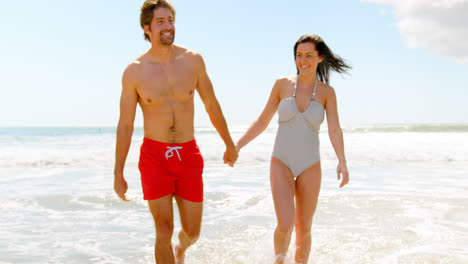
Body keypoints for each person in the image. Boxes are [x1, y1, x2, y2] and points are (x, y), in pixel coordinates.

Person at [113, 1, 238, 263]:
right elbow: (125, 125)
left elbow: (211, 104)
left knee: (192, 232)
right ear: (147, 28)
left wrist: (229, 143)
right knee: (163, 230)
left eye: (170, 20)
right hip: (154, 156)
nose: (168, 26)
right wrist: (118, 171)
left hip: (188, 154)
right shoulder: (134, 71)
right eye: (160, 22)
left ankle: (181, 250)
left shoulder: (193, 60)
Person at [235, 34, 350, 263]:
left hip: (311, 165)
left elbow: (335, 130)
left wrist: (342, 161)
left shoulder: (327, 93)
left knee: (304, 229)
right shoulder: (282, 85)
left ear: (319, 57)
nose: (302, 60)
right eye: (299, 55)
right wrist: (237, 145)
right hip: (282, 162)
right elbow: (262, 121)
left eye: (308, 55)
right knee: (286, 223)